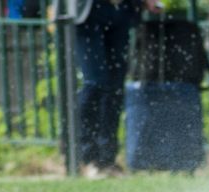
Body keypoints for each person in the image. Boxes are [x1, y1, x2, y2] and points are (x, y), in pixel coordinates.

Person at [53, 0, 156, 177]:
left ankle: (107, 159)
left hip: (122, 8)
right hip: (88, 11)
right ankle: (83, 154)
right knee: (95, 83)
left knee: (114, 87)